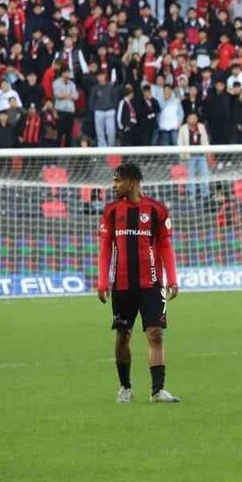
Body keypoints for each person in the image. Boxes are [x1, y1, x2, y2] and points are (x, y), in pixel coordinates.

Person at [96, 162, 180, 404]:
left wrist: (172, 279)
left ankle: (157, 390)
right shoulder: (111, 211)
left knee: (156, 334)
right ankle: (125, 387)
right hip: (122, 286)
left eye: (117, 180)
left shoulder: (156, 210)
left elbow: (165, 245)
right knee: (123, 336)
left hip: (152, 284)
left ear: (132, 181)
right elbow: (104, 249)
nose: (114, 186)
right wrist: (102, 282)